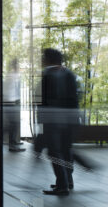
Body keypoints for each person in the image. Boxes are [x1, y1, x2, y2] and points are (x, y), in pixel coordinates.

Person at [38, 48, 79, 196]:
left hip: (53, 121)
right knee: (66, 150)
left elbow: (43, 102)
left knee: (54, 152)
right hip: (69, 120)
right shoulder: (68, 73)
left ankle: (62, 185)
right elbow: (74, 99)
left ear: (48, 59)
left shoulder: (48, 74)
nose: (41, 60)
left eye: (43, 57)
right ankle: (67, 180)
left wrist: (41, 125)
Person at [3, 59, 25, 152]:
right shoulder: (12, 76)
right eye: (17, 65)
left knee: (14, 123)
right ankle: (11, 144)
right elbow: (8, 90)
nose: (18, 67)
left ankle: (13, 141)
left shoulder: (13, 75)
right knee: (14, 123)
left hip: (11, 102)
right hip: (9, 103)